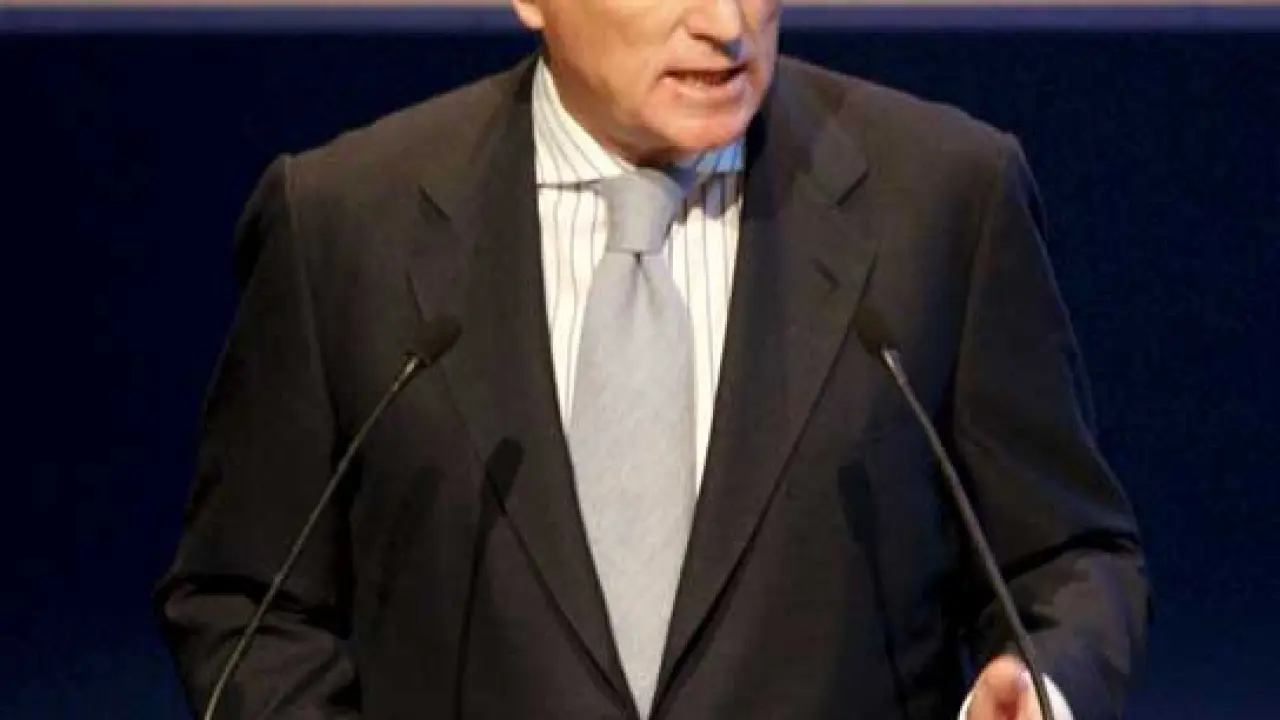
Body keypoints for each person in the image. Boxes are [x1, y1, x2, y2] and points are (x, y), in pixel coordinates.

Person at [155, 1, 1149, 718]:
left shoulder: (941, 201)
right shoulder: (341, 224)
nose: (725, 24)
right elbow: (245, 603)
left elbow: (1064, 559)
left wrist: (1043, 685)